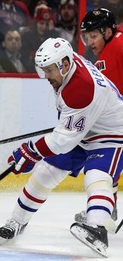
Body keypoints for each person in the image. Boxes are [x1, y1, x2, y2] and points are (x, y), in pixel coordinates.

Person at [0, 37, 123, 257]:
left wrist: (30, 150)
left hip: (112, 133)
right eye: (43, 70)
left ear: (64, 64)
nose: (46, 76)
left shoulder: (80, 88)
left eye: (49, 70)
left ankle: (97, 229)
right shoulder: (69, 65)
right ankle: (17, 222)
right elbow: (68, 128)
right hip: (85, 130)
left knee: (96, 175)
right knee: (46, 172)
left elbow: (63, 141)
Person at [74, 7, 123, 224]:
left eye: (94, 36)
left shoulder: (119, 46)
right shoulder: (106, 53)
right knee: (109, 163)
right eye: (87, 37)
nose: (90, 42)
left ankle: (106, 209)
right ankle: (107, 208)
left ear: (108, 32)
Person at [21, 3, 60, 72]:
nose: (44, 27)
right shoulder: (27, 36)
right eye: (41, 23)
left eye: (47, 24)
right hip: (30, 73)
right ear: (36, 23)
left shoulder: (55, 36)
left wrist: (51, 34)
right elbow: (24, 59)